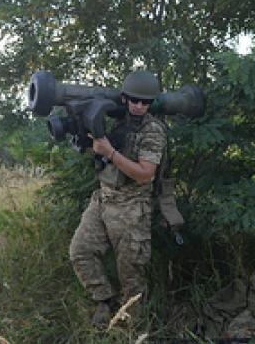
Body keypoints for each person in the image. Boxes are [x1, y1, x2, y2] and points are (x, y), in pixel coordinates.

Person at [69, 70, 168, 328]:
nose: (139, 106)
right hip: (103, 198)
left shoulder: (153, 130)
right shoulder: (116, 119)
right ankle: (107, 302)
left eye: (145, 102)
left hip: (132, 205)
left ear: (151, 103)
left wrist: (110, 152)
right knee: (81, 252)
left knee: (132, 275)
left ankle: (133, 328)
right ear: (124, 98)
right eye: (134, 100)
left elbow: (146, 175)